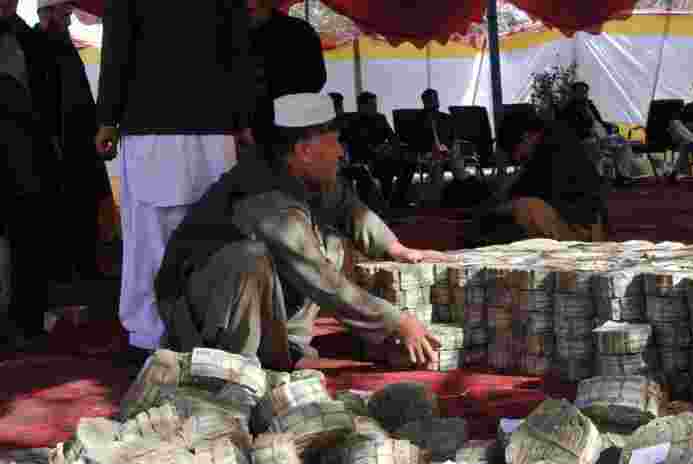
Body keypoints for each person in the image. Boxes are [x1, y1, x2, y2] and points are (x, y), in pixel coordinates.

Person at [155, 93, 446, 372]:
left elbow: (348, 207)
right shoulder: (266, 195)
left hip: (235, 294)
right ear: (304, 151)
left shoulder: (307, 174)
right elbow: (320, 278)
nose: (341, 153)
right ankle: (234, 365)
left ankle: (288, 347)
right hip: (192, 312)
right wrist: (397, 322)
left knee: (333, 242)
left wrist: (397, 249)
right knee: (251, 258)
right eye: (334, 144)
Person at [95, 0, 254, 369]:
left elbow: (119, 44)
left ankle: (150, 336)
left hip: (153, 119)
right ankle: (209, 332)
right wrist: (243, 118)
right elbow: (238, 46)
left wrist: (107, 117)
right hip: (212, 123)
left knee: (152, 237)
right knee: (212, 231)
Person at [35, 0, 113, 283]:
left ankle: (87, 266)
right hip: (64, 143)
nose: (69, 20)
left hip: (80, 140)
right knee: (72, 209)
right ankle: (74, 270)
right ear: (48, 14)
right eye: (64, 14)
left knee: (86, 207)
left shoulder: (61, 42)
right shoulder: (42, 43)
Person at [0, 0, 60, 347]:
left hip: (26, 160)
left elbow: (46, 100)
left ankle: (27, 319)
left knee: (27, 239)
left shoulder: (28, 38)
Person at [470, 108, 606, 246]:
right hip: (581, 222)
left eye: (513, 151)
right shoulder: (552, 140)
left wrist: (493, 208)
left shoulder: (552, 149)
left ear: (526, 136)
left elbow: (518, 194)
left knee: (524, 208)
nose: (515, 158)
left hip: (580, 232)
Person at [248, 0, 326, 145]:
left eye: (250, 10)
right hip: (245, 133)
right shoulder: (230, 36)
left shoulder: (298, 31)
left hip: (287, 131)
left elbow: (316, 79)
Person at [393, 88, 467, 206]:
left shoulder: (446, 118)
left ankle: (463, 194)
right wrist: (430, 150)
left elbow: (453, 137)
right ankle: (438, 201)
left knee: (454, 155)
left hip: (447, 152)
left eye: (434, 99)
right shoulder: (416, 120)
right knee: (437, 164)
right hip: (427, 153)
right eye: (429, 100)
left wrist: (446, 147)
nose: (433, 103)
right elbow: (411, 141)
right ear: (424, 102)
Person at [558, 80, 637, 184]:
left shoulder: (590, 105)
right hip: (584, 139)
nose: (584, 94)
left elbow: (599, 121)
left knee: (623, 143)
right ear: (573, 93)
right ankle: (595, 179)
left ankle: (622, 176)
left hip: (601, 137)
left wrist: (609, 126)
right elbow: (570, 128)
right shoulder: (569, 109)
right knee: (592, 145)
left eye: (585, 92)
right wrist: (589, 132)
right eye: (580, 92)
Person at [347, 91, 404, 206]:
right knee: (383, 167)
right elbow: (353, 144)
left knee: (405, 164)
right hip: (362, 157)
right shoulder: (353, 121)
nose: (375, 108)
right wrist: (374, 150)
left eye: (375, 105)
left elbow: (393, 138)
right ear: (361, 106)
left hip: (381, 156)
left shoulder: (380, 118)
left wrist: (389, 147)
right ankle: (372, 205)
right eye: (371, 105)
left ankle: (393, 201)